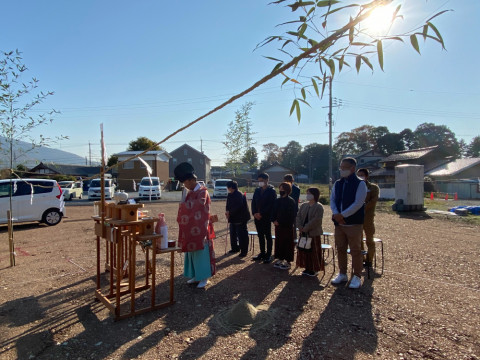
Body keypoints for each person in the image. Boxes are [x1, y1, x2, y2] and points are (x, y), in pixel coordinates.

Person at [175, 162, 216, 289]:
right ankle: (195, 275)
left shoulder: (203, 192)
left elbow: (198, 207)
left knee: (201, 252)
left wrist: (183, 207)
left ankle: (204, 277)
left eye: (186, 182)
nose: (185, 185)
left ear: (192, 180)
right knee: (191, 253)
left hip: (201, 228)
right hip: (190, 227)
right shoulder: (190, 192)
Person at [330, 157, 367, 289]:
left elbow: (358, 203)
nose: (342, 170)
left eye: (344, 167)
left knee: (356, 250)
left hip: (353, 223)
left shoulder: (360, 184)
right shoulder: (338, 183)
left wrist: (343, 215)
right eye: (341, 167)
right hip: (339, 224)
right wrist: (336, 214)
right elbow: (333, 200)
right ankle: (342, 273)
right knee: (340, 249)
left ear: (353, 168)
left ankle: (356, 276)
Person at [296, 187, 325, 276]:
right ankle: (306, 267)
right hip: (303, 232)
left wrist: (306, 228)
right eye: (307, 193)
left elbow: (316, 220)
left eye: (310, 193)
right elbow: (298, 217)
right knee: (304, 250)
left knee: (313, 251)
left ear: (315, 195)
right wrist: (300, 227)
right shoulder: (304, 205)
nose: (308, 195)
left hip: (313, 233)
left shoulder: (319, 206)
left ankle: (314, 268)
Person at [251, 173, 277, 264]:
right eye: (259, 181)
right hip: (257, 217)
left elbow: (271, 205)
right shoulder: (257, 190)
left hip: (265, 217)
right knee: (260, 235)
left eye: (261, 181)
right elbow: (253, 202)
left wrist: (261, 213)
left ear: (267, 180)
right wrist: (254, 213)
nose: (260, 182)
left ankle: (268, 255)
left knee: (268, 236)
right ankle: (262, 253)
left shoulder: (272, 191)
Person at [357, 168, 380, 268]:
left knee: (369, 239)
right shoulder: (355, 187)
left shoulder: (373, 187)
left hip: (368, 218)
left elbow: (373, 201)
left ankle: (369, 259)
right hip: (357, 217)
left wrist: (362, 207)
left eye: (362, 175)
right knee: (358, 239)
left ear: (366, 176)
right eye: (358, 175)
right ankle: (361, 258)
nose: (360, 177)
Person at [271, 182, 296, 270]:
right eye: (280, 189)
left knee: (288, 243)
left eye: (283, 189)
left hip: (287, 226)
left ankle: (288, 261)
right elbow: (273, 212)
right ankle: (280, 258)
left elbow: (291, 215)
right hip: (278, 226)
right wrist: (274, 220)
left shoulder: (291, 201)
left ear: (287, 190)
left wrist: (281, 222)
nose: (281, 190)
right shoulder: (277, 200)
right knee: (279, 242)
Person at [225, 180, 251, 258]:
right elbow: (228, 204)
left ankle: (244, 251)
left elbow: (238, 206)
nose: (227, 188)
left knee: (242, 235)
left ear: (231, 187)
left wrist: (230, 212)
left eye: (228, 187)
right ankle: (235, 248)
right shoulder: (230, 195)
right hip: (233, 218)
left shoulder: (239, 194)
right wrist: (227, 211)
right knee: (233, 233)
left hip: (241, 218)